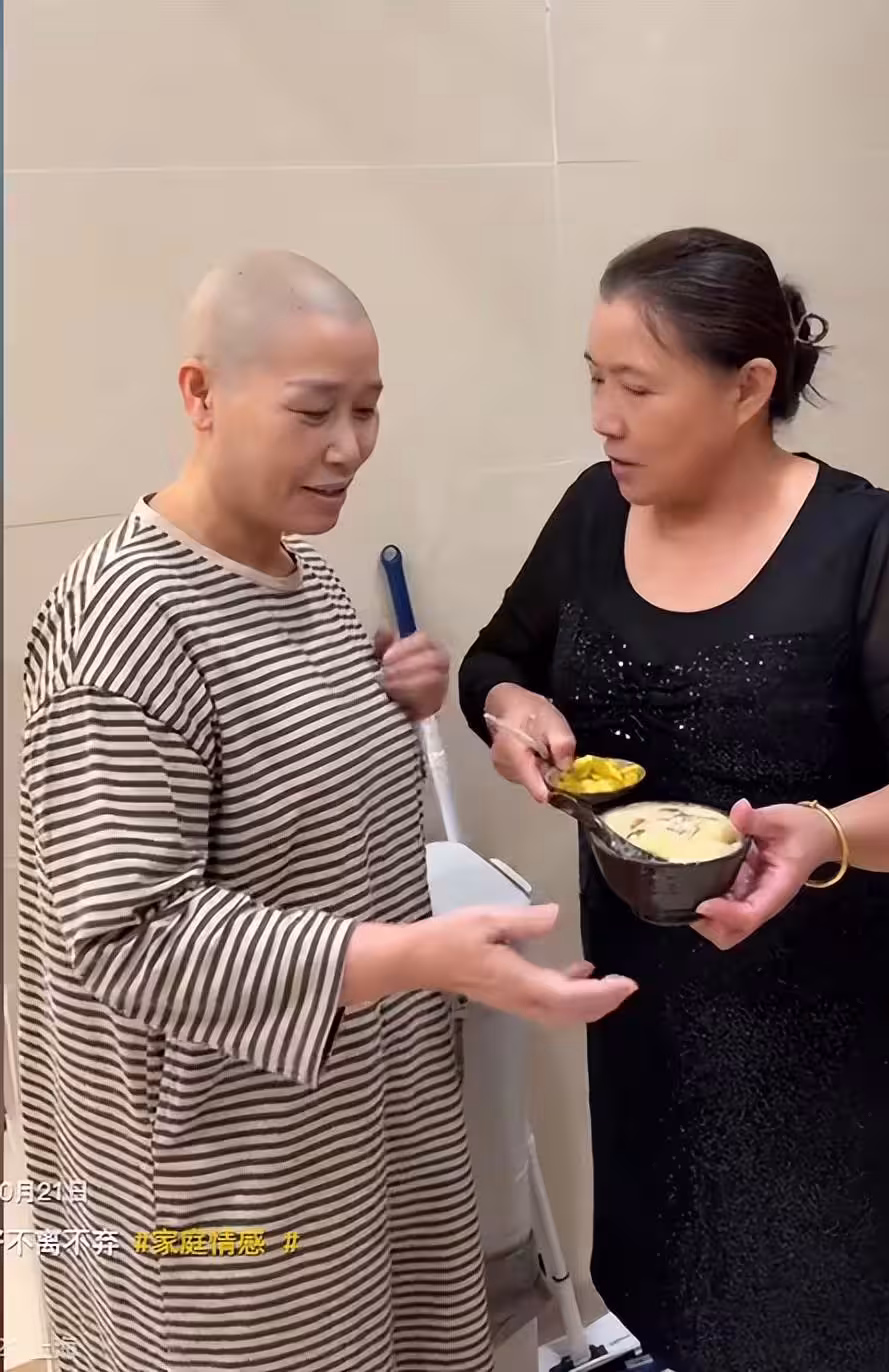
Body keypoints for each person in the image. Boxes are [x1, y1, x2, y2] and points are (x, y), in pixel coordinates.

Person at [17, 250, 637, 1372]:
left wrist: (383, 696)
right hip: (223, 1174)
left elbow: (286, 793)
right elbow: (128, 934)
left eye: (368, 408)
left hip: (359, 1119)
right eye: (313, 412)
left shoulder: (306, 576)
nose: (350, 446)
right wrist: (416, 956)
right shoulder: (119, 627)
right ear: (200, 395)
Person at [459, 227, 889, 1372]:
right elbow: (495, 661)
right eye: (594, 380)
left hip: (819, 1042)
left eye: (637, 387)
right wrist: (512, 710)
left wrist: (831, 830)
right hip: (646, 1018)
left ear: (749, 388)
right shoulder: (595, 514)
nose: (603, 418)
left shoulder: (869, 542)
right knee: (675, 1301)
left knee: (815, 1327)